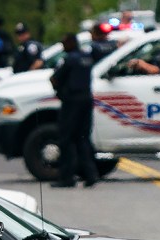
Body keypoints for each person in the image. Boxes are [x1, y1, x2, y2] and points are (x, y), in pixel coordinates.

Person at [49, 33, 97, 188]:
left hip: (72, 102)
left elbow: (55, 79)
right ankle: (90, 175)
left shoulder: (69, 59)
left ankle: (67, 177)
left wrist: (58, 89)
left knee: (66, 139)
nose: (63, 47)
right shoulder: (87, 58)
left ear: (70, 43)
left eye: (64, 43)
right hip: (86, 100)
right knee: (83, 138)